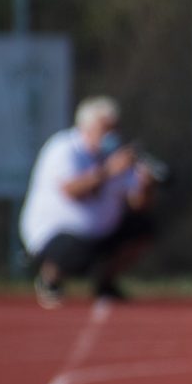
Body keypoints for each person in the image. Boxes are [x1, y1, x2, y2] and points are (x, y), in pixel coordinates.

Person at [19, 96, 156, 308]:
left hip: (101, 233)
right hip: (54, 235)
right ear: (86, 127)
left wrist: (146, 185)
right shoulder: (63, 148)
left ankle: (105, 283)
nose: (111, 135)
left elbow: (138, 204)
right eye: (105, 129)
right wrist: (108, 171)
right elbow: (72, 190)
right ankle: (50, 278)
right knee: (76, 248)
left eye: (114, 128)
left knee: (143, 227)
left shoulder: (117, 156)